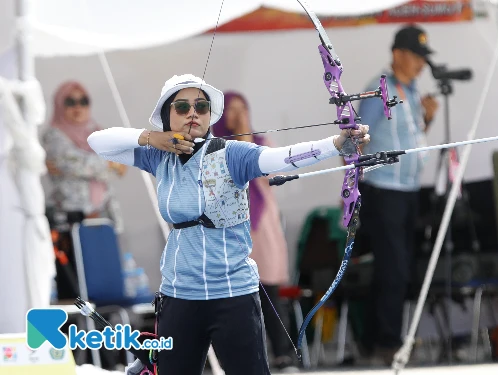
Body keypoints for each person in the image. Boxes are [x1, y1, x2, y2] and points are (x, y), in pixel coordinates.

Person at [87, 73, 370, 375]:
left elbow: (281, 158)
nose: (193, 113)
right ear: (167, 116)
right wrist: (150, 137)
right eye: (182, 107)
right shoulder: (159, 157)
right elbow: (98, 142)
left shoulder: (232, 154)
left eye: (202, 106)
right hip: (178, 293)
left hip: (232, 294)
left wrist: (336, 143)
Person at [353, 24, 438, 365]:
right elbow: (359, 134)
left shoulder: (414, 91)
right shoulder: (380, 88)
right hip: (383, 190)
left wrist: (428, 119)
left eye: (423, 58)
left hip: (408, 191)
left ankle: (375, 339)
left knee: (398, 267)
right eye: (417, 57)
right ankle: (387, 342)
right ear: (398, 54)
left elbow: (409, 137)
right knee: (394, 268)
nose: (421, 64)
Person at [211, 91, 298, 371]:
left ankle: (282, 353)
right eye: (231, 111)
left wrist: (247, 141)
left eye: (242, 110)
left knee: (269, 291)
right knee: (234, 296)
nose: (237, 116)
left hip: (262, 228)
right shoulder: (214, 148)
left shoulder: (263, 144)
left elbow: (272, 177)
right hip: (230, 229)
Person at [41, 81, 127, 222]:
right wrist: (110, 163)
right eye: (70, 102)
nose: (78, 107)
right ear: (59, 105)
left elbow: (122, 165)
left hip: (105, 214)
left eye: (83, 101)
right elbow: (71, 164)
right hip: (69, 218)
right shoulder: (53, 135)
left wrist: (114, 163)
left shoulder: (98, 132)